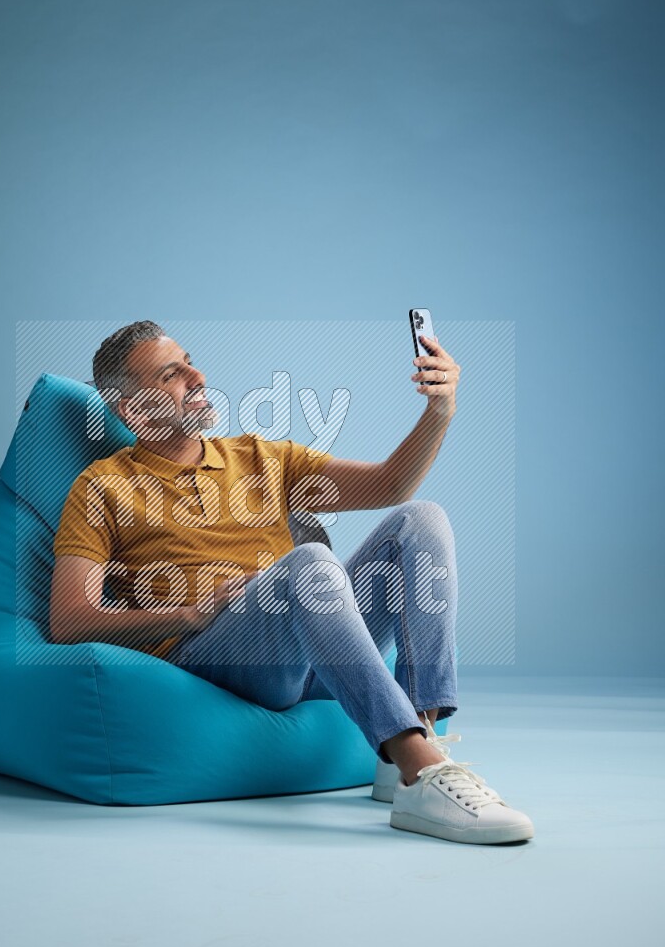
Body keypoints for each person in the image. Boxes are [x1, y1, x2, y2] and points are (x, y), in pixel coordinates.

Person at [49, 321, 534, 845]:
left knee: (421, 519)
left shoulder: (259, 457)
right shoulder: (101, 485)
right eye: (173, 374)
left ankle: (414, 753)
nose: (198, 376)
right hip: (216, 660)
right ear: (134, 409)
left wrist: (439, 412)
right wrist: (190, 613)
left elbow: (391, 484)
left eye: (190, 360)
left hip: (315, 652)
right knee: (310, 564)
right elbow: (68, 620)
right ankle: (422, 769)